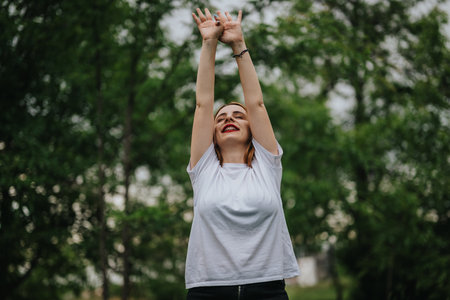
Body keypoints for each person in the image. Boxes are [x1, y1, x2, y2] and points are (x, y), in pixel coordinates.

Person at [186, 8, 300, 300]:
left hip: (267, 289)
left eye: (239, 115)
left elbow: (257, 103)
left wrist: (238, 45)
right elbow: (202, 104)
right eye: (221, 117)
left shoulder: (267, 165)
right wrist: (209, 43)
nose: (228, 119)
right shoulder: (205, 169)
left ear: (252, 129)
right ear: (212, 132)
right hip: (208, 290)